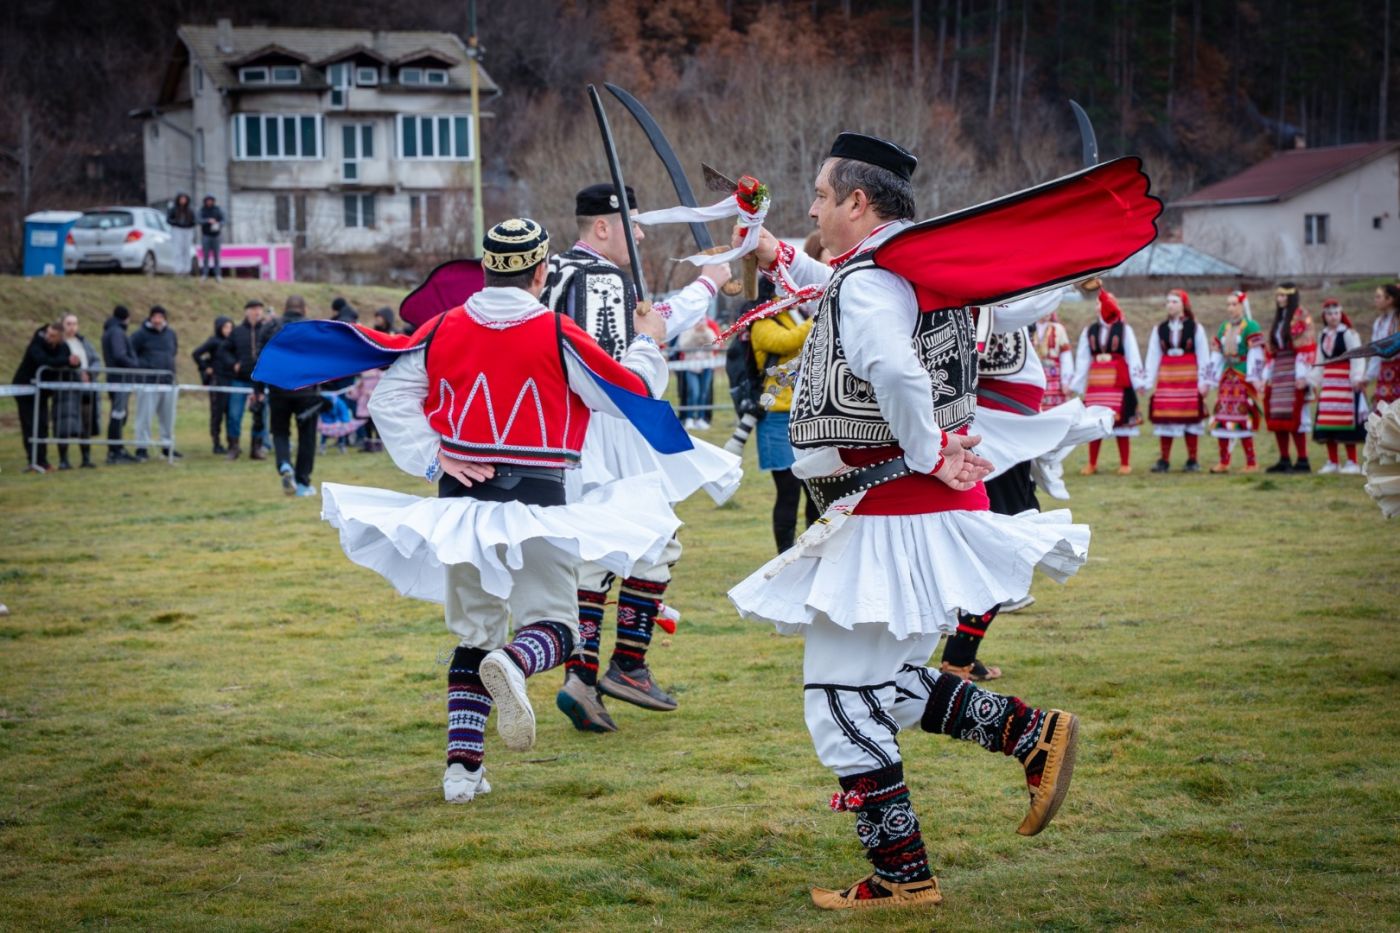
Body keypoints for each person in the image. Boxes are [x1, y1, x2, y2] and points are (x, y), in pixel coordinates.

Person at [728, 133, 1086, 911]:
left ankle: (902, 873)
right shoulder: (918, 268)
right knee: (882, 686)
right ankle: (1027, 733)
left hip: (890, 507)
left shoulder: (875, 278)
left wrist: (927, 450)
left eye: (821, 197)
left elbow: (889, 360)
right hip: (910, 509)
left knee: (836, 699)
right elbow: (846, 290)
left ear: (857, 202)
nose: (812, 210)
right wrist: (774, 255)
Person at [257, 218, 684, 804]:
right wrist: (648, 341)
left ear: (485, 269)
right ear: (540, 272)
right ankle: (515, 662)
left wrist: (436, 458)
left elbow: (390, 399)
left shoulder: (443, 327)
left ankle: (462, 772)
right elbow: (628, 392)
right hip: (538, 505)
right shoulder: (555, 331)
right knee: (557, 629)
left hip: (462, 511)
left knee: (472, 633)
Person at [541, 183, 739, 734]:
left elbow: (652, 321)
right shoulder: (603, 280)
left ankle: (581, 679)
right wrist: (698, 292)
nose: (642, 235)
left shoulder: (556, 272)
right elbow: (620, 373)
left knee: (594, 555)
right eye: (633, 224)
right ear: (604, 227)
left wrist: (705, 285)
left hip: (566, 434)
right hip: (609, 432)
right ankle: (626, 664)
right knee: (654, 542)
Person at [750, 280, 820, 553]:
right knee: (788, 491)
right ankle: (785, 554)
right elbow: (788, 341)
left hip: (803, 412)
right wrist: (819, 314)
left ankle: (814, 551)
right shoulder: (761, 323)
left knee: (814, 491)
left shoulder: (793, 316)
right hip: (777, 417)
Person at [1072, 285, 1147, 475]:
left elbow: (1133, 355)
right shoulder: (1090, 330)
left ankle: (1125, 462)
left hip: (1117, 381)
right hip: (1097, 381)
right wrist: (1077, 385)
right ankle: (1092, 463)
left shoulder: (1124, 329)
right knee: (1095, 419)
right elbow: (1082, 359)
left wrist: (1138, 382)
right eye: (1099, 303)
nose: (1102, 305)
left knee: (1120, 420)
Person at [1144, 289, 1212, 473]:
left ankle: (1192, 459)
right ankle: (1164, 460)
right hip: (1167, 376)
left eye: (1174, 301)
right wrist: (1147, 381)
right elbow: (1153, 356)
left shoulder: (1195, 328)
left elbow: (1203, 355)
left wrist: (1204, 381)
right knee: (1166, 416)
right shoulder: (1160, 329)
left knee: (1190, 416)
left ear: (1183, 305)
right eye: (1168, 302)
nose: (1170, 305)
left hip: (1188, 375)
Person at [264, 296, 322, 496]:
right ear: (303, 309)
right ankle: (303, 482)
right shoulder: (313, 328)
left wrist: (258, 389)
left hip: (278, 389)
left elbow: (260, 359)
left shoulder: (271, 327)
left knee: (280, 432)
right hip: (306, 390)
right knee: (307, 437)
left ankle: (284, 464)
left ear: (285, 308)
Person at [1207, 291, 1265, 473]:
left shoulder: (1251, 326)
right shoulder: (1224, 327)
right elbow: (1217, 354)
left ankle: (1251, 462)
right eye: (1228, 304)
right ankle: (1224, 461)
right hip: (1227, 378)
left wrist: (1255, 377)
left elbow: (1256, 353)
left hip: (1243, 377)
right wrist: (1210, 377)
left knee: (1243, 417)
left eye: (1234, 304)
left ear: (1242, 306)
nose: (1230, 308)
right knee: (1222, 417)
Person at [1263, 283, 1317, 473]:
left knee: (1296, 415)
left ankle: (1302, 459)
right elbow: (1272, 347)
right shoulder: (1279, 318)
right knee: (1278, 414)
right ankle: (1284, 458)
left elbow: (1306, 345)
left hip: (1295, 370)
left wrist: (1303, 375)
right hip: (1279, 370)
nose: (1280, 299)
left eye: (1284, 295)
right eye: (1278, 295)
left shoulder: (1301, 315)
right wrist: (1267, 373)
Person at [1311, 299, 1367, 474]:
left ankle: (1352, 461)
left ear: (1341, 314)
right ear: (1324, 316)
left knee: (1345, 422)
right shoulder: (1323, 335)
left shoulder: (1348, 334)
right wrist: (1314, 380)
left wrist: (1357, 377)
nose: (1333, 317)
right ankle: (1333, 461)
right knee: (1328, 422)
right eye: (1329, 314)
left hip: (1345, 383)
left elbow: (1357, 356)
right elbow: (1320, 359)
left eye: (1336, 313)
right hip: (1329, 384)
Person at [12, 322, 77, 472]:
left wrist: (75, 363)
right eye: (48, 333)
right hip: (25, 391)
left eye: (53, 336)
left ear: (60, 338)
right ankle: (33, 461)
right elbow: (44, 361)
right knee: (30, 426)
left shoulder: (63, 346)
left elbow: (67, 361)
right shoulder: (37, 343)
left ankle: (43, 461)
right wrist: (66, 361)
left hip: (42, 393)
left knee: (42, 426)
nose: (48, 337)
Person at [129, 306, 180, 461]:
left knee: (168, 417)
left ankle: (167, 446)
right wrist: (144, 367)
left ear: (164, 318)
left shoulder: (170, 334)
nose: (157, 320)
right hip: (148, 382)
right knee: (144, 416)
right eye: (155, 317)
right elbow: (131, 353)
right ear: (150, 318)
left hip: (167, 381)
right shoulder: (139, 335)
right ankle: (141, 447)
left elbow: (173, 351)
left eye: (160, 317)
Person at [53, 313, 102, 470]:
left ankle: (86, 458)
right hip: (67, 391)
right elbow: (57, 364)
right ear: (63, 325)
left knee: (86, 424)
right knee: (64, 425)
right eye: (68, 323)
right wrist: (77, 375)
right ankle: (63, 460)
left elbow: (96, 360)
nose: (72, 327)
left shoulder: (84, 342)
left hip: (86, 390)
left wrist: (90, 373)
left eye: (74, 323)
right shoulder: (58, 344)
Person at [226, 299, 269, 460]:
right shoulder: (237, 332)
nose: (257, 312)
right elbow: (224, 350)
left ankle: (256, 448)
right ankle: (234, 447)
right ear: (247, 311)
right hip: (240, 379)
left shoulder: (266, 330)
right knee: (234, 414)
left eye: (259, 309)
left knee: (260, 415)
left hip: (260, 380)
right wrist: (233, 363)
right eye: (254, 309)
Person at [101, 305, 140, 464]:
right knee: (118, 414)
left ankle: (118, 448)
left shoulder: (111, 330)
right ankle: (115, 451)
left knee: (119, 414)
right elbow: (119, 355)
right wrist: (135, 365)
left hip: (117, 378)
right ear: (126, 318)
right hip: (120, 379)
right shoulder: (117, 332)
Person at [191, 316, 234, 454]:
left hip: (230, 380)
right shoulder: (214, 341)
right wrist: (205, 367)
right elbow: (196, 354)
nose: (228, 330)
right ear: (219, 328)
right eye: (226, 327)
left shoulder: (233, 342)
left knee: (231, 413)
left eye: (230, 327)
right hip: (217, 381)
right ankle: (216, 443)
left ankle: (232, 442)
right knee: (217, 413)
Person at [678, 317, 721, 430]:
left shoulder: (709, 330)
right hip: (691, 366)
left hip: (707, 366)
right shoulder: (687, 330)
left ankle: (701, 419)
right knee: (694, 392)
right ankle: (689, 418)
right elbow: (683, 346)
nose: (700, 323)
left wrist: (705, 332)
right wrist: (695, 334)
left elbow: (716, 345)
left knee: (703, 394)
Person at [1035, 309, 1074, 410]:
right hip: (1036, 375)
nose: (1048, 312)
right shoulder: (1029, 328)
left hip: (1054, 377)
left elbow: (1066, 356)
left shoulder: (1058, 329)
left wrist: (1066, 381)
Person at [1368, 284, 1400, 405]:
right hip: (1384, 371)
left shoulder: (1398, 320)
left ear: (1389, 299)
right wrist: (1368, 376)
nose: (1375, 300)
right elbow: (1375, 351)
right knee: (1384, 408)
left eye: (1378, 297)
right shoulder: (1379, 322)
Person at [167, 193, 196, 276]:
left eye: (184, 199)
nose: (183, 201)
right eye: (181, 199)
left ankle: (187, 270)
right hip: (177, 229)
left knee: (186, 250)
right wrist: (176, 222)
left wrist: (189, 223)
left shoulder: (190, 210)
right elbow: (168, 219)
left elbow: (194, 220)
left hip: (188, 230)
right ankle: (178, 270)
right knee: (177, 250)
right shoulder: (173, 209)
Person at [199, 195, 224, 281]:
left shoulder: (217, 210)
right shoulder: (202, 210)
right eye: (208, 200)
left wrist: (218, 223)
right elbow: (199, 220)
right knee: (205, 256)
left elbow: (223, 220)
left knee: (217, 256)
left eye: (211, 200)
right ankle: (205, 274)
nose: (209, 202)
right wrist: (208, 221)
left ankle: (218, 275)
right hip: (206, 235)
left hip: (216, 235)